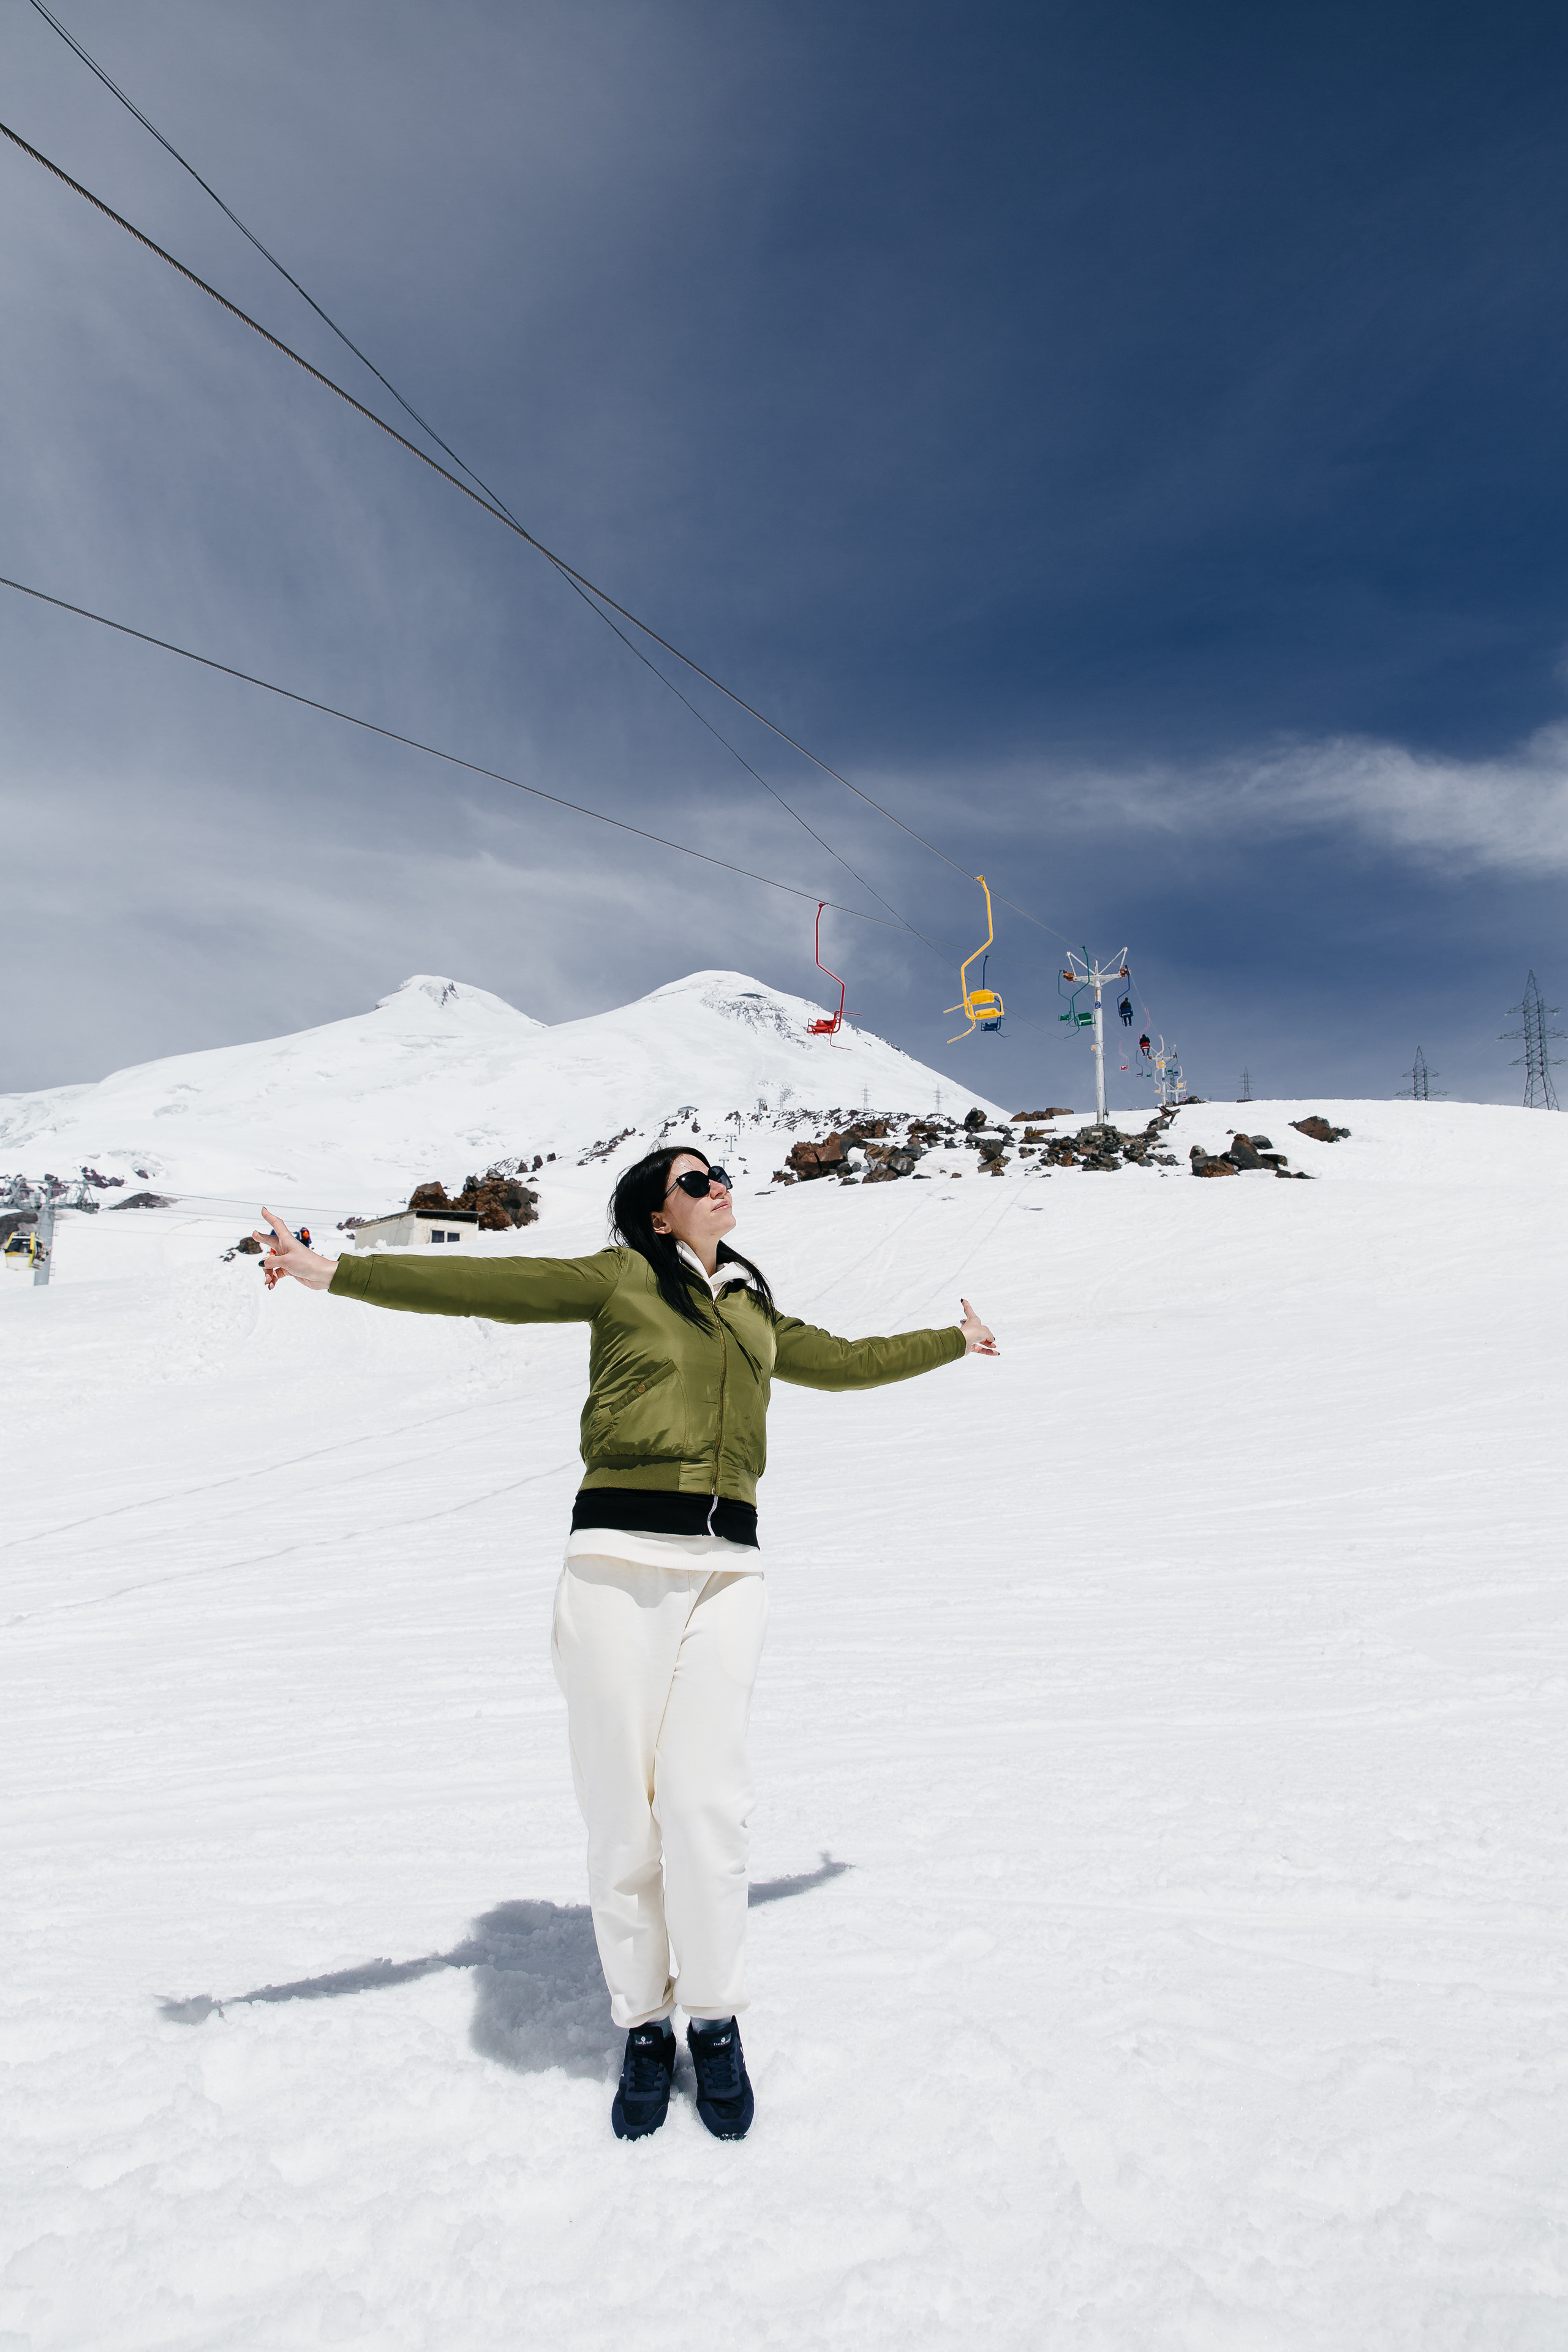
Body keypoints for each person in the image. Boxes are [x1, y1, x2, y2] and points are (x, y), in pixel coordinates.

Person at [255, 1148, 996, 2146]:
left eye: (720, 1173)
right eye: (693, 1180)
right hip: (614, 1564)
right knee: (624, 1820)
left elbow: (853, 1361)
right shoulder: (618, 1278)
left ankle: (715, 2017)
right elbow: (491, 1285)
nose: (715, 1186)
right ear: (657, 1215)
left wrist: (954, 1339)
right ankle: (646, 2026)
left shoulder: (753, 1310)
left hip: (729, 1572)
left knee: (706, 1809)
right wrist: (335, 1270)